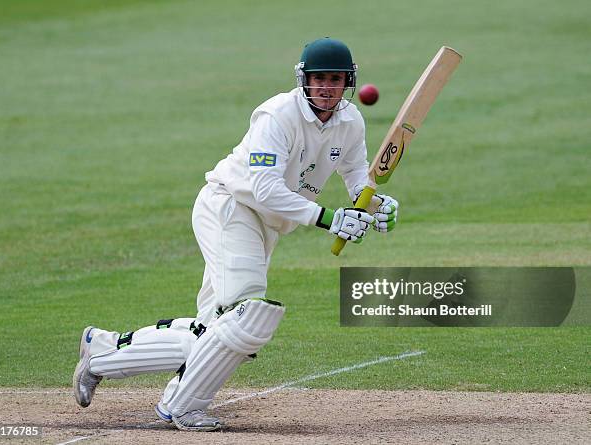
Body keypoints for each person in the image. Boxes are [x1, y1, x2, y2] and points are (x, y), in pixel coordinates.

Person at [73, 37, 399, 432]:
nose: (326, 87)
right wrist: (329, 218)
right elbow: (263, 188)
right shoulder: (277, 116)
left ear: (348, 81)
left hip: (268, 225)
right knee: (248, 316)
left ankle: (103, 352)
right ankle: (182, 406)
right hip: (230, 207)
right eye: (318, 79)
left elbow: (356, 180)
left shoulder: (351, 122)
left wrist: (377, 206)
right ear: (304, 80)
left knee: (217, 333)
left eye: (335, 79)